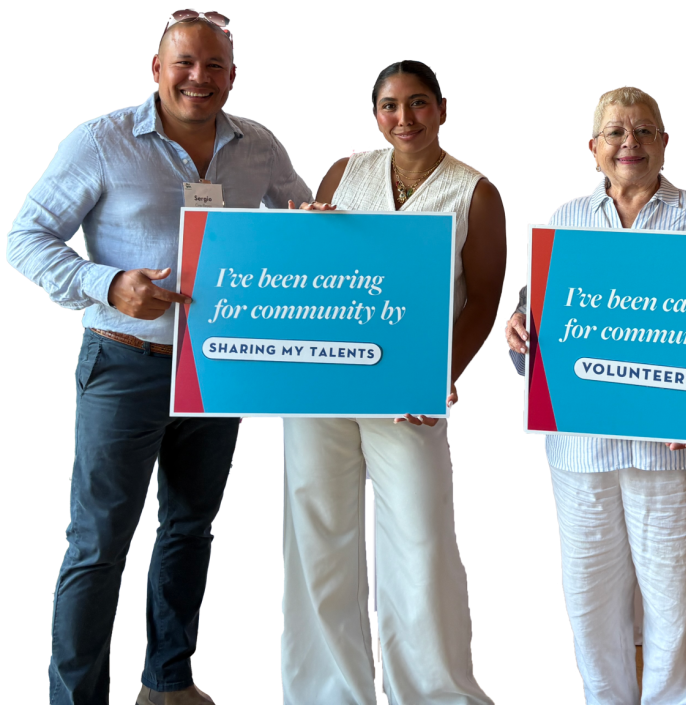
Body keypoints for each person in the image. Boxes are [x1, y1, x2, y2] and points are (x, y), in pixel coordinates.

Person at [5, 10, 317, 705]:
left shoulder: (257, 143)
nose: (199, 78)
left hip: (214, 368)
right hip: (124, 362)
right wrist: (106, 282)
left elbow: (303, 217)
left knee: (188, 529)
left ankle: (167, 683)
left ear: (233, 77)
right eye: (184, 63)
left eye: (214, 66)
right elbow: (25, 235)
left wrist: (319, 229)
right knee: (97, 543)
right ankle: (73, 697)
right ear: (156, 70)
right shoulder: (103, 140)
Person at [280, 59, 506, 705]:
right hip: (323, 384)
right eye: (388, 105)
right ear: (374, 113)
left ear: (440, 110)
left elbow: (482, 301)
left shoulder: (473, 192)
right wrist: (311, 228)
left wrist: (434, 380)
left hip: (407, 392)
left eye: (416, 103)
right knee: (318, 531)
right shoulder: (345, 173)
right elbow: (315, 271)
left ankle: (433, 688)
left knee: (420, 534)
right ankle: (327, 687)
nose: (402, 117)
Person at [505, 85, 686, 704]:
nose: (629, 142)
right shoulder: (566, 217)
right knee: (588, 598)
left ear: (664, 142)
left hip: (673, 442)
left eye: (643, 130)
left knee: (675, 597)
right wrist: (519, 319)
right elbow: (542, 306)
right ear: (594, 147)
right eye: (615, 132)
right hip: (581, 444)